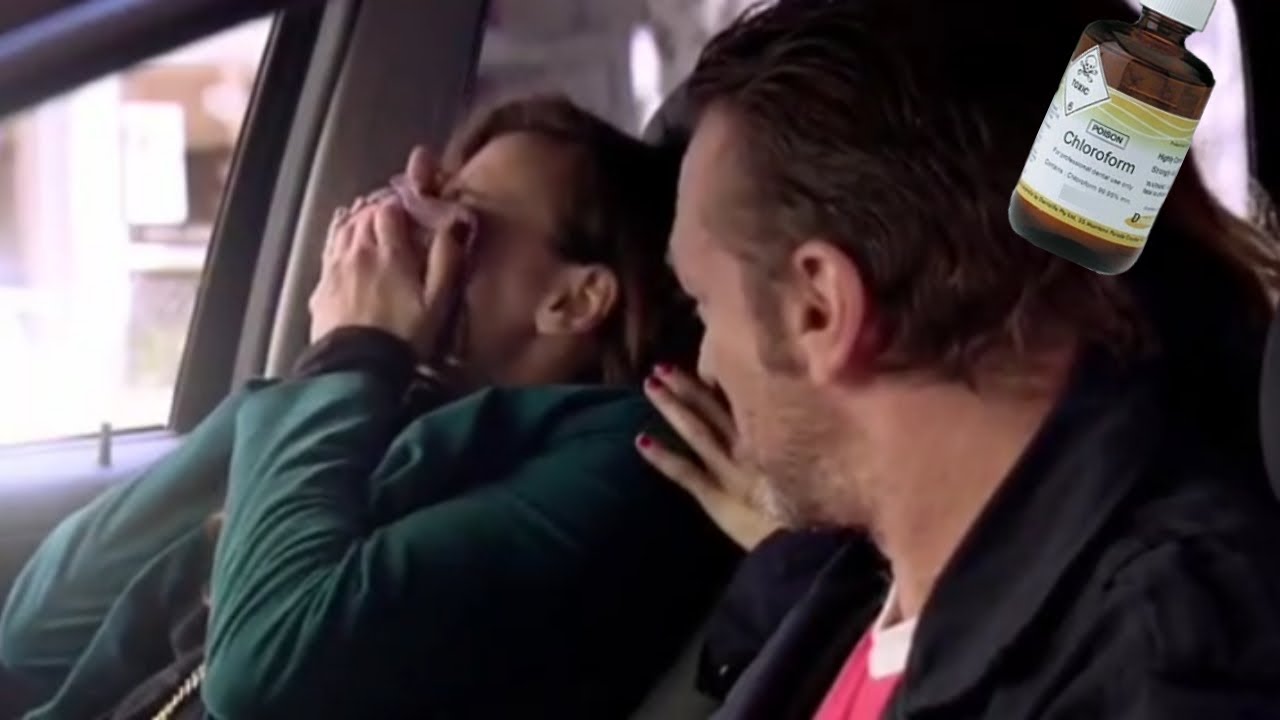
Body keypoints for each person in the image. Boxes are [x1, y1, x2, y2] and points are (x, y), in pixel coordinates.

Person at [636, 1, 1280, 718]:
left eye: (703, 305)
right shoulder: (874, 590)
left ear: (819, 306)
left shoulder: (1160, 667)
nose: (706, 363)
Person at [0, 95, 737, 719]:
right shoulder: (388, 414)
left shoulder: (626, 461)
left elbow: (266, 674)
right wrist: (339, 364)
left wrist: (351, 353)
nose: (415, 233)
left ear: (575, 300)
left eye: (466, 222)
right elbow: (40, 629)